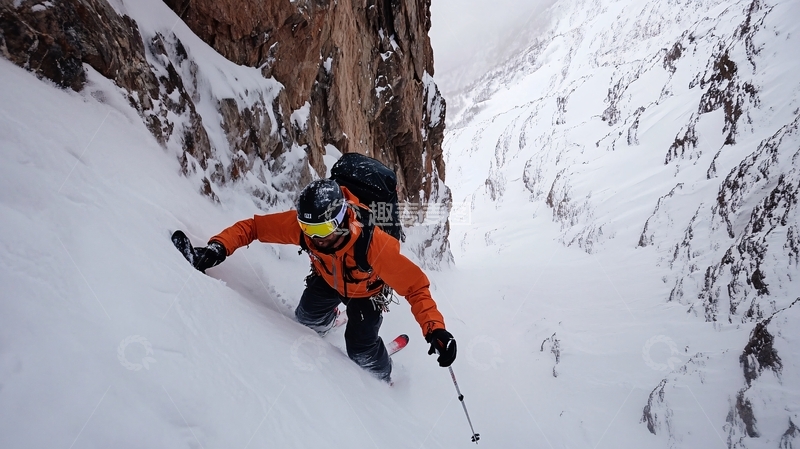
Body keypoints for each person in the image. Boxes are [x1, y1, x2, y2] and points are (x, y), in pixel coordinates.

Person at [188, 178, 457, 382]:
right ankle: (328, 320)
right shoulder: (305, 229)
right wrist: (218, 248)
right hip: (328, 279)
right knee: (305, 318)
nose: (314, 237)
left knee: (361, 350)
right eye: (308, 229)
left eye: (322, 229)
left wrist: (435, 329)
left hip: (366, 294)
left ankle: (384, 374)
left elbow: (415, 286)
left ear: (340, 220)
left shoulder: (373, 244)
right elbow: (254, 227)